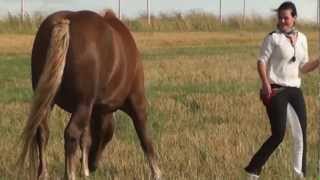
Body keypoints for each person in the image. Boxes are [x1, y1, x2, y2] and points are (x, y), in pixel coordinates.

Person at [244, 1, 320, 179]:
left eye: (286, 18)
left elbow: (303, 67)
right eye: (280, 18)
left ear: (294, 18)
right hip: (276, 90)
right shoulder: (272, 38)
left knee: (301, 134)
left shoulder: (302, 38)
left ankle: (299, 174)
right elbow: (261, 62)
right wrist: (265, 82)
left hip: (295, 90)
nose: (283, 21)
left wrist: (317, 62)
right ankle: (253, 170)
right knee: (278, 134)